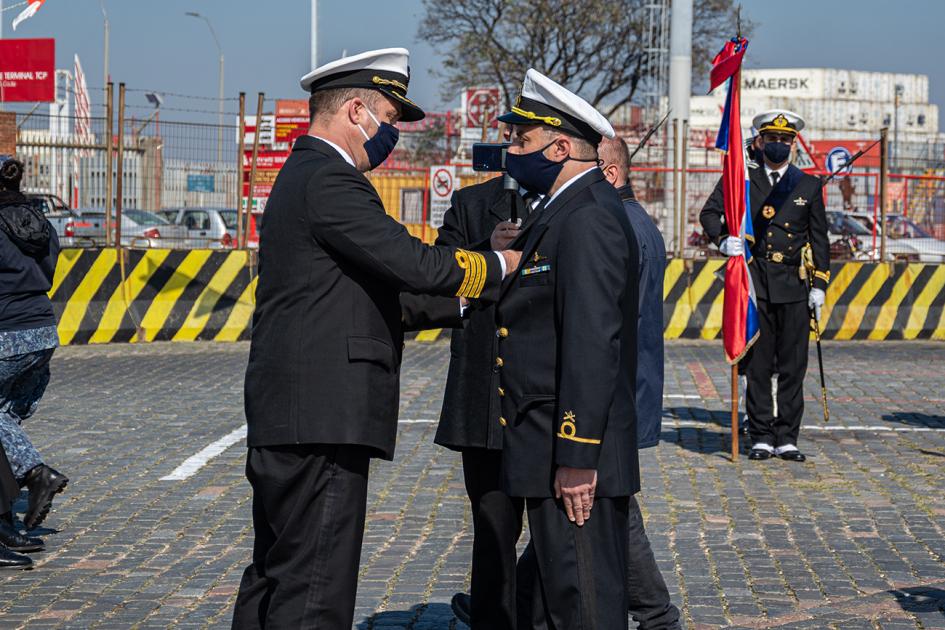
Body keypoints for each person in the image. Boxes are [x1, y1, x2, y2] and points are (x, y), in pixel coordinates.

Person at [232, 48, 519, 630]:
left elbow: (377, 293)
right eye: (389, 119)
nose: (391, 135)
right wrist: (498, 265)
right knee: (314, 588)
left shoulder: (306, 175)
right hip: (321, 416)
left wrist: (466, 298)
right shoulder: (330, 179)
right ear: (356, 110)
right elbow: (410, 263)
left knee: (277, 574)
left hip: (297, 413)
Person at [495, 69, 640, 630]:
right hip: (548, 445)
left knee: (584, 606)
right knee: (560, 600)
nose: (511, 150)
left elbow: (590, 341)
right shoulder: (558, 212)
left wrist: (577, 455)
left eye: (522, 141)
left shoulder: (587, 217)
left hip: (574, 455)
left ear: (560, 147)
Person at [401, 136, 540, 629]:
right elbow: (438, 277)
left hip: (544, 397)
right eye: (516, 142)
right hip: (484, 394)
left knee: (555, 529)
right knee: (493, 525)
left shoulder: (564, 203)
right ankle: (493, 618)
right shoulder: (470, 204)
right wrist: (489, 252)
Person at [699, 110, 829, 462]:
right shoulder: (741, 178)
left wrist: (819, 285)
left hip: (793, 285)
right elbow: (709, 214)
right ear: (760, 141)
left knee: (792, 365)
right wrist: (724, 240)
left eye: (785, 140)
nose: (779, 144)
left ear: (793, 144)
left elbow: (820, 240)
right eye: (772, 139)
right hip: (754, 285)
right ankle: (760, 436)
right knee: (757, 364)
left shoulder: (807, 185)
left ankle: (787, 436)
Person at [599, 136, 681, 629]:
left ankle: (657, 614)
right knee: (587, 509)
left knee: (613, 506)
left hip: (616, 392)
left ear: (611, 174)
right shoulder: (637, 223)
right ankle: (518, 599)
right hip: (628, 389)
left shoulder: (619, 227)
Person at [0, 157, 69, 535]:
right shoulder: (42, 224)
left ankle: (36, 474)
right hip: (43, 330)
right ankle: (10, 506)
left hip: (6, 331)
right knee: (6, 415)